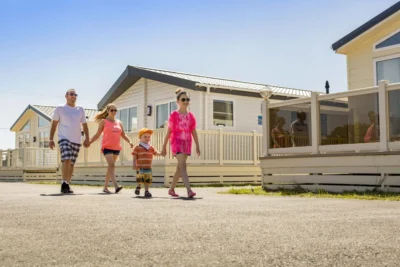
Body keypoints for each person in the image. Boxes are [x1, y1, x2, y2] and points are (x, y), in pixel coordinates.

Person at [161, 88, 200, 198]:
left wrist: (197, 145)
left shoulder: (191, 116)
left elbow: (193, 131)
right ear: (178, 101)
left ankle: (171, 189)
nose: (186, 101)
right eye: (183, 99)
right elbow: (169, 131)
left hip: (187, 143)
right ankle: (189, 190)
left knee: (179, 168)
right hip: (177, 142)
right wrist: (164, 146)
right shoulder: (174, 115)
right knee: (183, 166)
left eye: (188, 99)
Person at [49, 89, 90, 194]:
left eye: (75, 94)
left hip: (76, 140)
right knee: (66, 159)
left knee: (71, 163)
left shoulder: (80, 109)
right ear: (66, 96)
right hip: (64, 138)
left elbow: (84, 125)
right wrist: (50, 139)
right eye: (71, 94)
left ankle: (67, 183)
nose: (74, 96)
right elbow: (54, 124)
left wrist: (87, 138)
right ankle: (64, 182)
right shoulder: (60, 108)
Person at [88, 103, 133, 194]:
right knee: (112, 165)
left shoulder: (119, 122)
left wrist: (130, 141)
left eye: (115, 110)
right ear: (108, 111)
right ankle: (116, 186)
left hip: (116, 147)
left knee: (110, 168)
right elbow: (97, 134)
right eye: (112, 110)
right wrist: (90, 142)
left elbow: (123, 134)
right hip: (107, 147)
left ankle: (105, 187)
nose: (114, 112)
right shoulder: (103, 122)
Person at [132, 128, 163, 197]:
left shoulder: (150, 147)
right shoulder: (137, 147)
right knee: (140, 179)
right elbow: (134, 156)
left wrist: (161, 153)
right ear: (140, 138)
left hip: (148, 167)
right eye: (145, 136)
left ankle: (146, 191)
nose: (147, 138)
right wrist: (134, 164)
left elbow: (155, 153)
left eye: (148, 136)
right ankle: (138, 187)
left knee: (147, 180)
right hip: (139, 167)